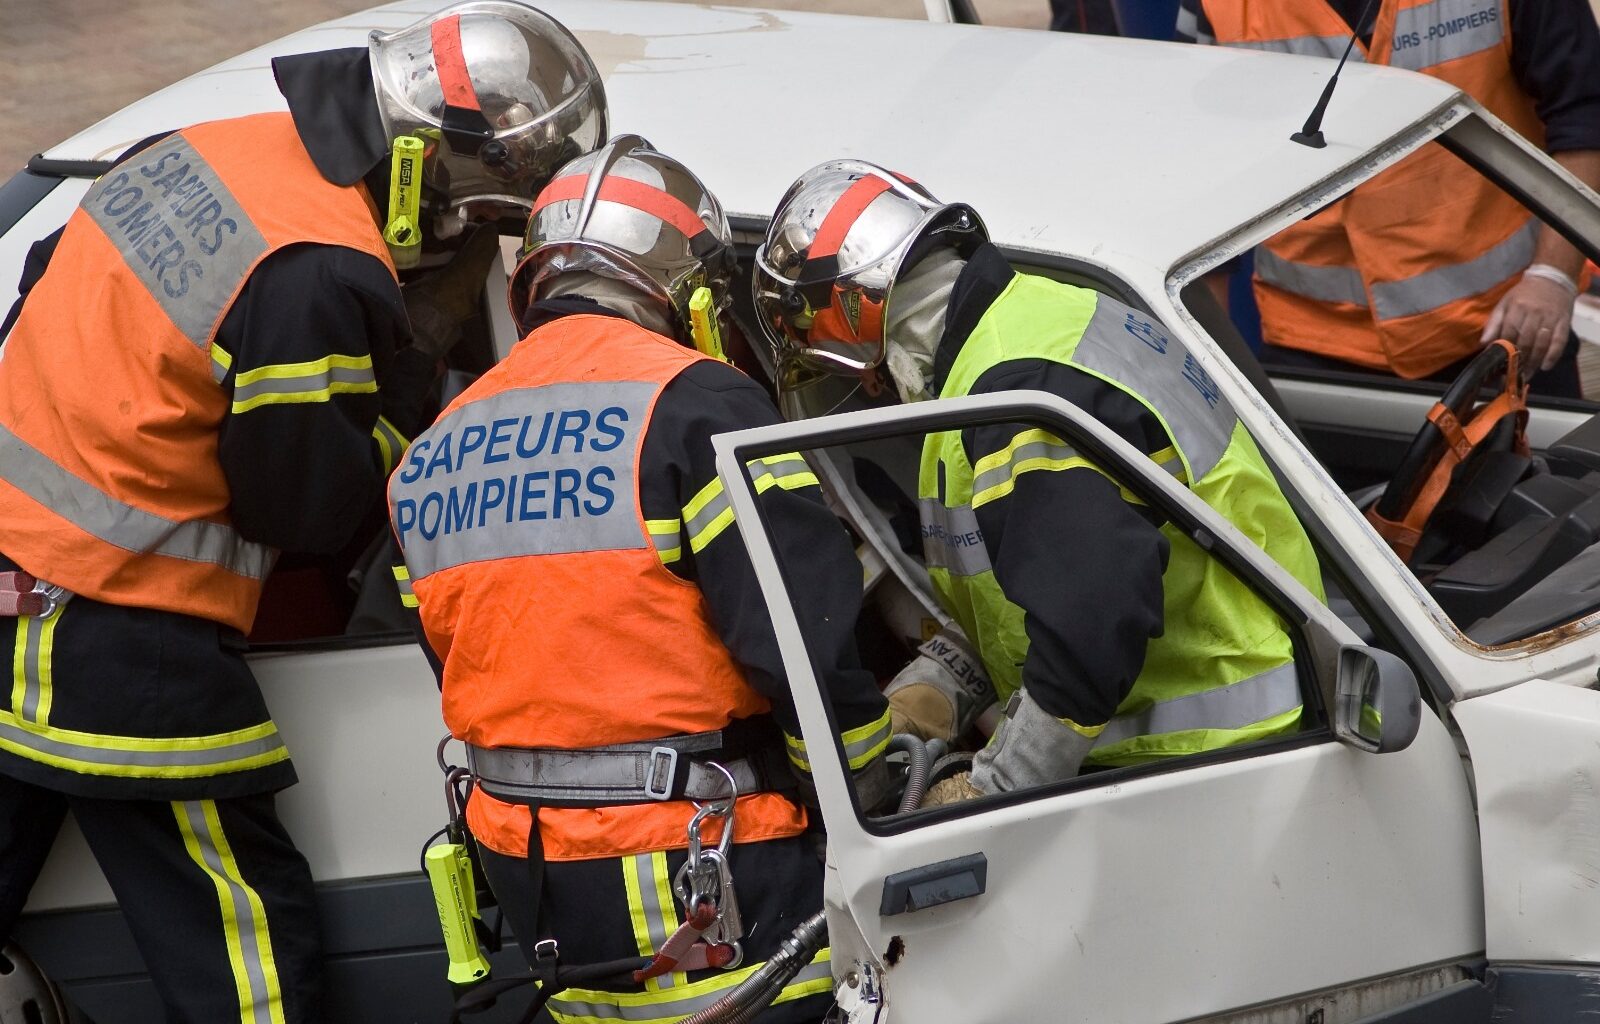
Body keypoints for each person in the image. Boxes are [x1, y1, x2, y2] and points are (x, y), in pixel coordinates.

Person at [0, 4, 605, 1020]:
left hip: (19, 592)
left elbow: (39, 280)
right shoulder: (321, 269)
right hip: (116, 628)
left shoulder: (200, 146)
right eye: (485, 207)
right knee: (245, 941)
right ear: (433, 169)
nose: (474, 228)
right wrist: (415, 371)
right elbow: (308, 508)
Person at [387, 136, 891, 1023]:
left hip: (529, 866)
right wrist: (871, 786)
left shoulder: (432, 454)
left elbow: (463, 660)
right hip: (705, 867)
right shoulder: (697, 402)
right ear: (687, 294)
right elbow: (799, 645)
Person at [753, 161, 1324, 801]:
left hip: (1210, 763)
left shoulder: (1010, 396)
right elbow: (1035, 585)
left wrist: (999, 788)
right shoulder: (1032, 323)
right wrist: (944, 683)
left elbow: (1091, 613)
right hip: (1238, 733)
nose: (870, 388)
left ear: (864, 322)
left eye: (861, 371)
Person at [1176, 0, 1600, 397]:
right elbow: (1191, 163)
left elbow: (1584, 110)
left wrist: (1552, 277)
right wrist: (1211, 354)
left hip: (1506, 330)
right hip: (1314, 345)